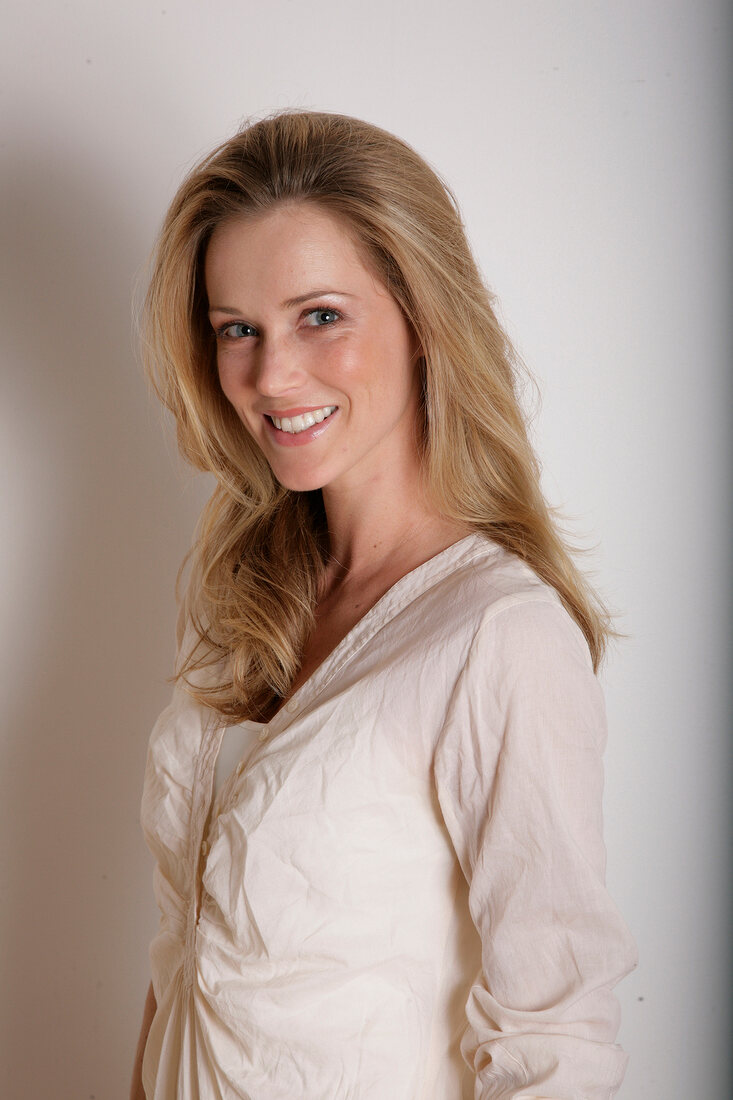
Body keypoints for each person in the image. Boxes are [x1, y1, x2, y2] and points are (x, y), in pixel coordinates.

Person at [130, 110, 637, 1100]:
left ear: (421, 317)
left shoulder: (499, 636)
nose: (271, 376)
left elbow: (554, 1043)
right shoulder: (243, 603)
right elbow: (180, 955)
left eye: (320, 315)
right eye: (239, 328)